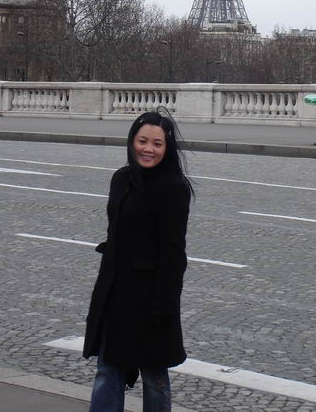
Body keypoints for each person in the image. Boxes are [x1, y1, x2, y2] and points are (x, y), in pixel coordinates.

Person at [83, 110, 193, 412]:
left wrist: (164, 307)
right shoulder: (121, 179)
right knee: (107, 370)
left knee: (154, 374)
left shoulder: (174, 189)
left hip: (151, 299)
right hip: (116, 295)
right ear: (132, 141)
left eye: (157, 144)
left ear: (167, 148)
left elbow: (173, 254)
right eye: (143, 141)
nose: (149, 149)